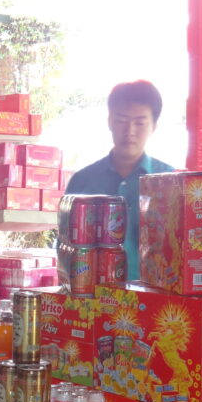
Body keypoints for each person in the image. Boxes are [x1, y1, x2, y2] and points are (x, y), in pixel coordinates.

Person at [65, 80, 175, 279]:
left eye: (140, 123)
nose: (130, 131)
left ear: (154, 126)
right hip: (92, 295)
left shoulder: (171, 182)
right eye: (122, 120)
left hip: (152, 295)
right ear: (109, 121)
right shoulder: (82, 181)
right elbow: (66, 250)